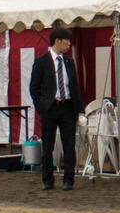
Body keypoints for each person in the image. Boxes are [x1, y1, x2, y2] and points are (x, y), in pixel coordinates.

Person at [28, 26, 82, 190]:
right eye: (66, 41)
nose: (69, 44)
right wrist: (42, 106)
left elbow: (74, 87)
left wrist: (80, 110)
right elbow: (34, 88)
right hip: (50, 108)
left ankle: (68, 179)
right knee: (48, 145)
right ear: (57, 41)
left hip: (67, 107)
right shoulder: (42, 61)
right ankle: (47, 179)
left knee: (69, 144)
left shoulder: (69, 62)